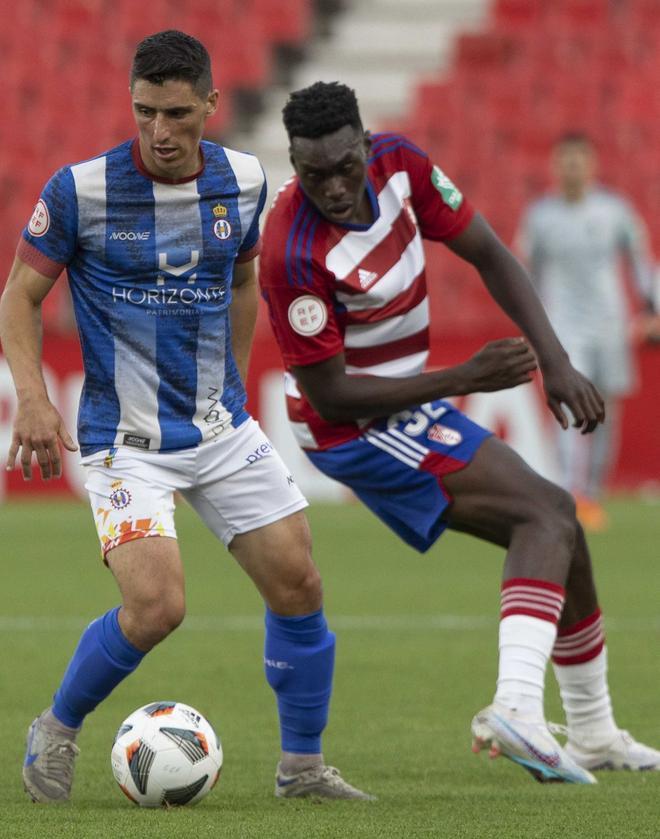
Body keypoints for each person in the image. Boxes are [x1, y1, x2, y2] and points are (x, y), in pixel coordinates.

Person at [0, 34, 372, 804]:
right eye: (144, 113)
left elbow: (241, 278)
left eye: (175, 113)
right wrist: (33, 396)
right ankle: (57, 727)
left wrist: (232, 380)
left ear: (210, 104)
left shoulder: (242, 180)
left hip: (217, 427)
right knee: (158, 605)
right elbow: (19, 299)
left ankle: (302, 768)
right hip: (123, 439)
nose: (159, 131)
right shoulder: (81, 191)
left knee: (299, 581)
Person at [258, 81, 660, 785]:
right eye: (313, 172)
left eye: (345, 165)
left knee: (561, 523)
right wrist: (463, 377)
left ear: (366, 144)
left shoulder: (403, 165)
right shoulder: (289, 249)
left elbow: (492, 253)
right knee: (544, 513)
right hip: (350, 426)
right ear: (294, 161)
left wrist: (555, 362)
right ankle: (515, 707)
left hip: (405, 402)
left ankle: (592, 730)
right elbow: (331, 394)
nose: (334, 186)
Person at [517, 133, 657, 531]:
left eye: (579, 159)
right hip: (562, 327)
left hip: (609, 326)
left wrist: (652, 306)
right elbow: (525, 274)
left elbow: (641, 262)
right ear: (555, 166)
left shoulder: (615, 211)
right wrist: (533, 324)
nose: (572, 167)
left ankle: (591, 494)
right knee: (567, 403)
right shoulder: (540, 216)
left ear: (592, 164)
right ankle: (567, 492)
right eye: (565, 160)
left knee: (605, 412)